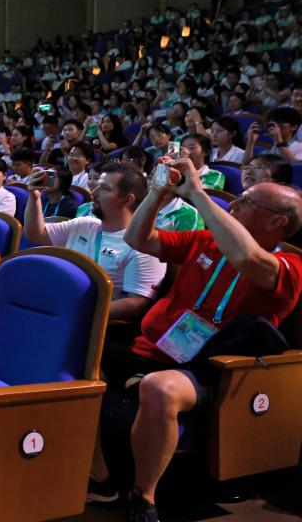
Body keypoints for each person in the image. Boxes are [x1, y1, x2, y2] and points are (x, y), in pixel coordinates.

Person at [89, 160, 302, 522]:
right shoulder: (205, 241)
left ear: (277, 221)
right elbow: (137, 238)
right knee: (73, 360)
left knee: (158, 388)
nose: (233, 203)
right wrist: (158, 193)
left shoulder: (291, 267)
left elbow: (247, 257)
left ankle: (143, 498)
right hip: (151, 350)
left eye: (246, 201)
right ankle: (102, 475)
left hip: (209, 369)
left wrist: (198, 194)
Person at [24, 163, 166, 319]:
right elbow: (35, 234)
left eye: (104, 188)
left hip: (87, 321)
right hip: (57, 301)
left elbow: (135, 304)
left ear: (127, 200)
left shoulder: (143, 245)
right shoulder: (84, 224)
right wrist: (34, 196)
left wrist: (76, 311)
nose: (93, 193)